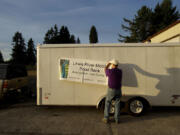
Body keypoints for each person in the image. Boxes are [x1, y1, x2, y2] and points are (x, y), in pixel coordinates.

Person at [102, 59, 122, 124]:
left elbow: (105, 69)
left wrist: (108, 63)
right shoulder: (120, 71)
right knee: (117, 104)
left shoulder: (110, 71)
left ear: (113, 65)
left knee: (108, 102)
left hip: (111, 90)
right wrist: (111, 63)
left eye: (112, 64)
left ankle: (106, 118)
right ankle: (117, 119)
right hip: (118, 89)